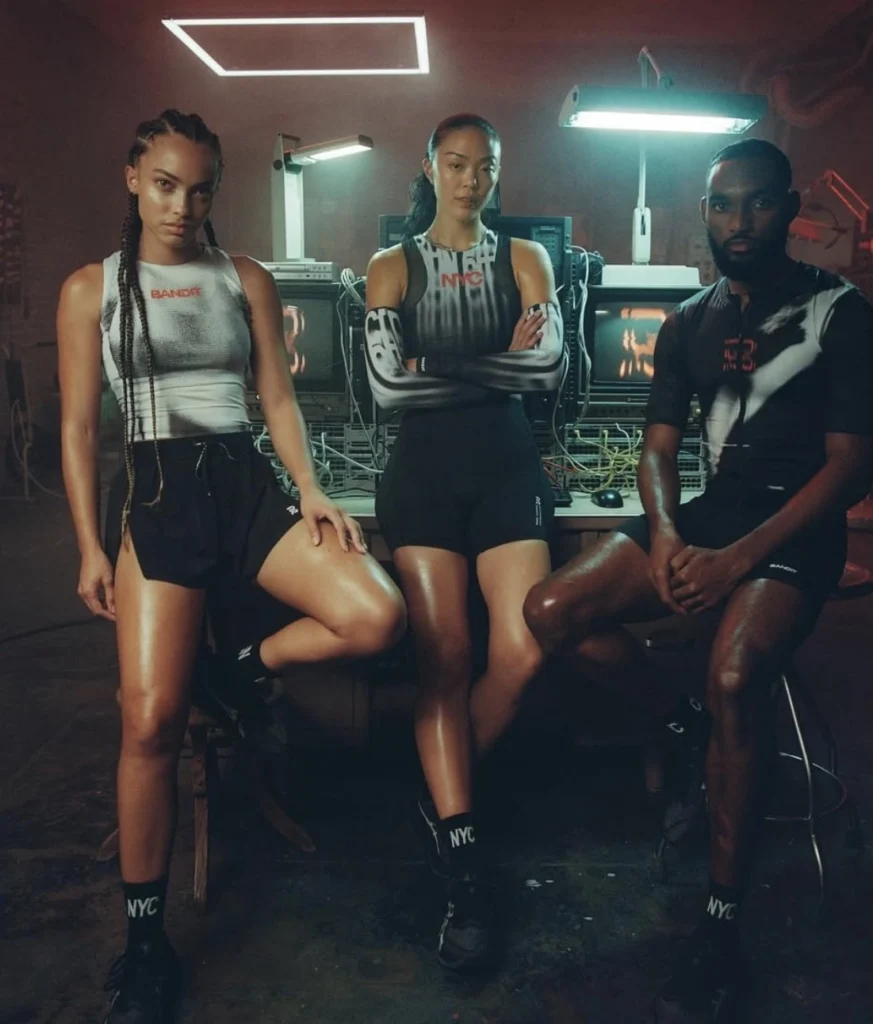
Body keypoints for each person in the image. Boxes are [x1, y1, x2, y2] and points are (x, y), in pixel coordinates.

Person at [57, 109, 406, 1024]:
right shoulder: (92, 290)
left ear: (216, 188)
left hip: (245, 484)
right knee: (150, 723)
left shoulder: (241, 276)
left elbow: (277, 398)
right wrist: (91, 545)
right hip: (160, 494)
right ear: (133, 177)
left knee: (375, 614)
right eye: (166, 183)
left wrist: (314, 488)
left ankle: (242, 669)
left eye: (201, 185)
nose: (183, 203)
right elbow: (77, 429)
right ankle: (144, 944)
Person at [522, 138, 873, 1020]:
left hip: (794, 533)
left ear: (787, 208)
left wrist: (735, 561)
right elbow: (658, 448)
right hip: (707, 518)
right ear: (706, 215)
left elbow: (848, 469)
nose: (738, 222)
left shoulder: (842, 313)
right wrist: (672, 536)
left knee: (730, 674)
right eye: (723, 206)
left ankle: (719, 922)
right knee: (552, 609)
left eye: (756, 204)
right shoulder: (689, 322)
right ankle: (679, 728)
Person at [364, 113, 567, 970]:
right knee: (444, 656)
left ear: (497, 173)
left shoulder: (528, 259)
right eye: (454, 164)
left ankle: (435, 790)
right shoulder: (388, 267)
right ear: (429, 167)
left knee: (522, 649)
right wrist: (495, 360)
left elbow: (548, 369)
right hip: (421, 476)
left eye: (483, 166)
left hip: (505, 465)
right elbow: (385, 389)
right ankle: (461, 853)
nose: (469, 179)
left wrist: (432, 369)